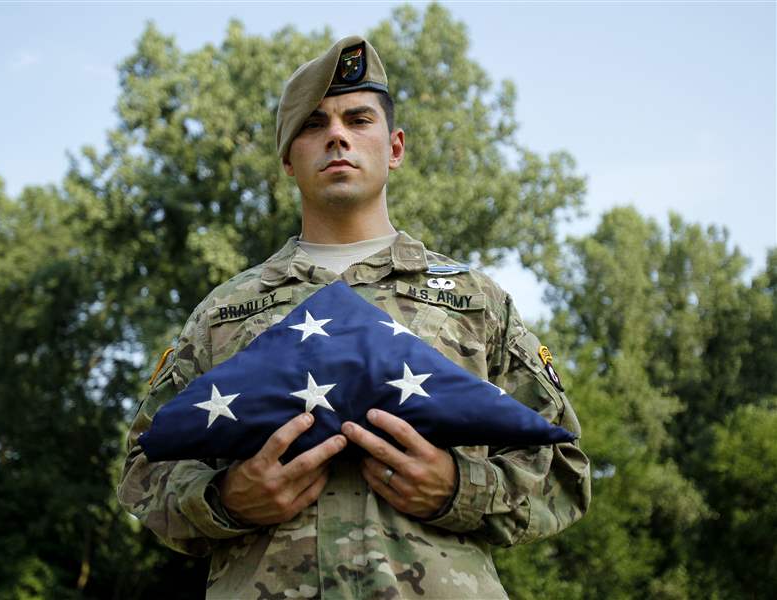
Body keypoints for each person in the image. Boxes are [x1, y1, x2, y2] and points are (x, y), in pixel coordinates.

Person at [118, 35, 591, 599]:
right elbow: (144, 470)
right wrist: (225, 499)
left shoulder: (473, 299)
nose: (337, 135)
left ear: (394, 147)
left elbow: (564, 467)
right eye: (314, 124)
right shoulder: (223, 313)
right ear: (289, 160)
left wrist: (458, 488)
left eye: (357, 118)